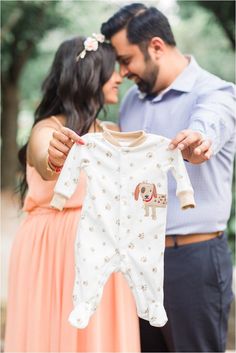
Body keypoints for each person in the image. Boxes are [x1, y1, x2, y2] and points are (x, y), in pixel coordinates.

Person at [101, 3, 235, 352]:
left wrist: (198, 141)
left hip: (192, 262)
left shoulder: (215, 93)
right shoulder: (130, 102)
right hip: (136, 262)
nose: (123, 71)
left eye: (126, 60)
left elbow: (209, 126)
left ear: (156, 46)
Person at [4, 35, 140, 352]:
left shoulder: (114, 132)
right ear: (90, 76)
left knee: (101, 338)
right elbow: (43, 158)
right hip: (53, 248)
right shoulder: (46, 128)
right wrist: (54, 156)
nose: (120, 77)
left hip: (104, 249)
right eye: (112, 69)